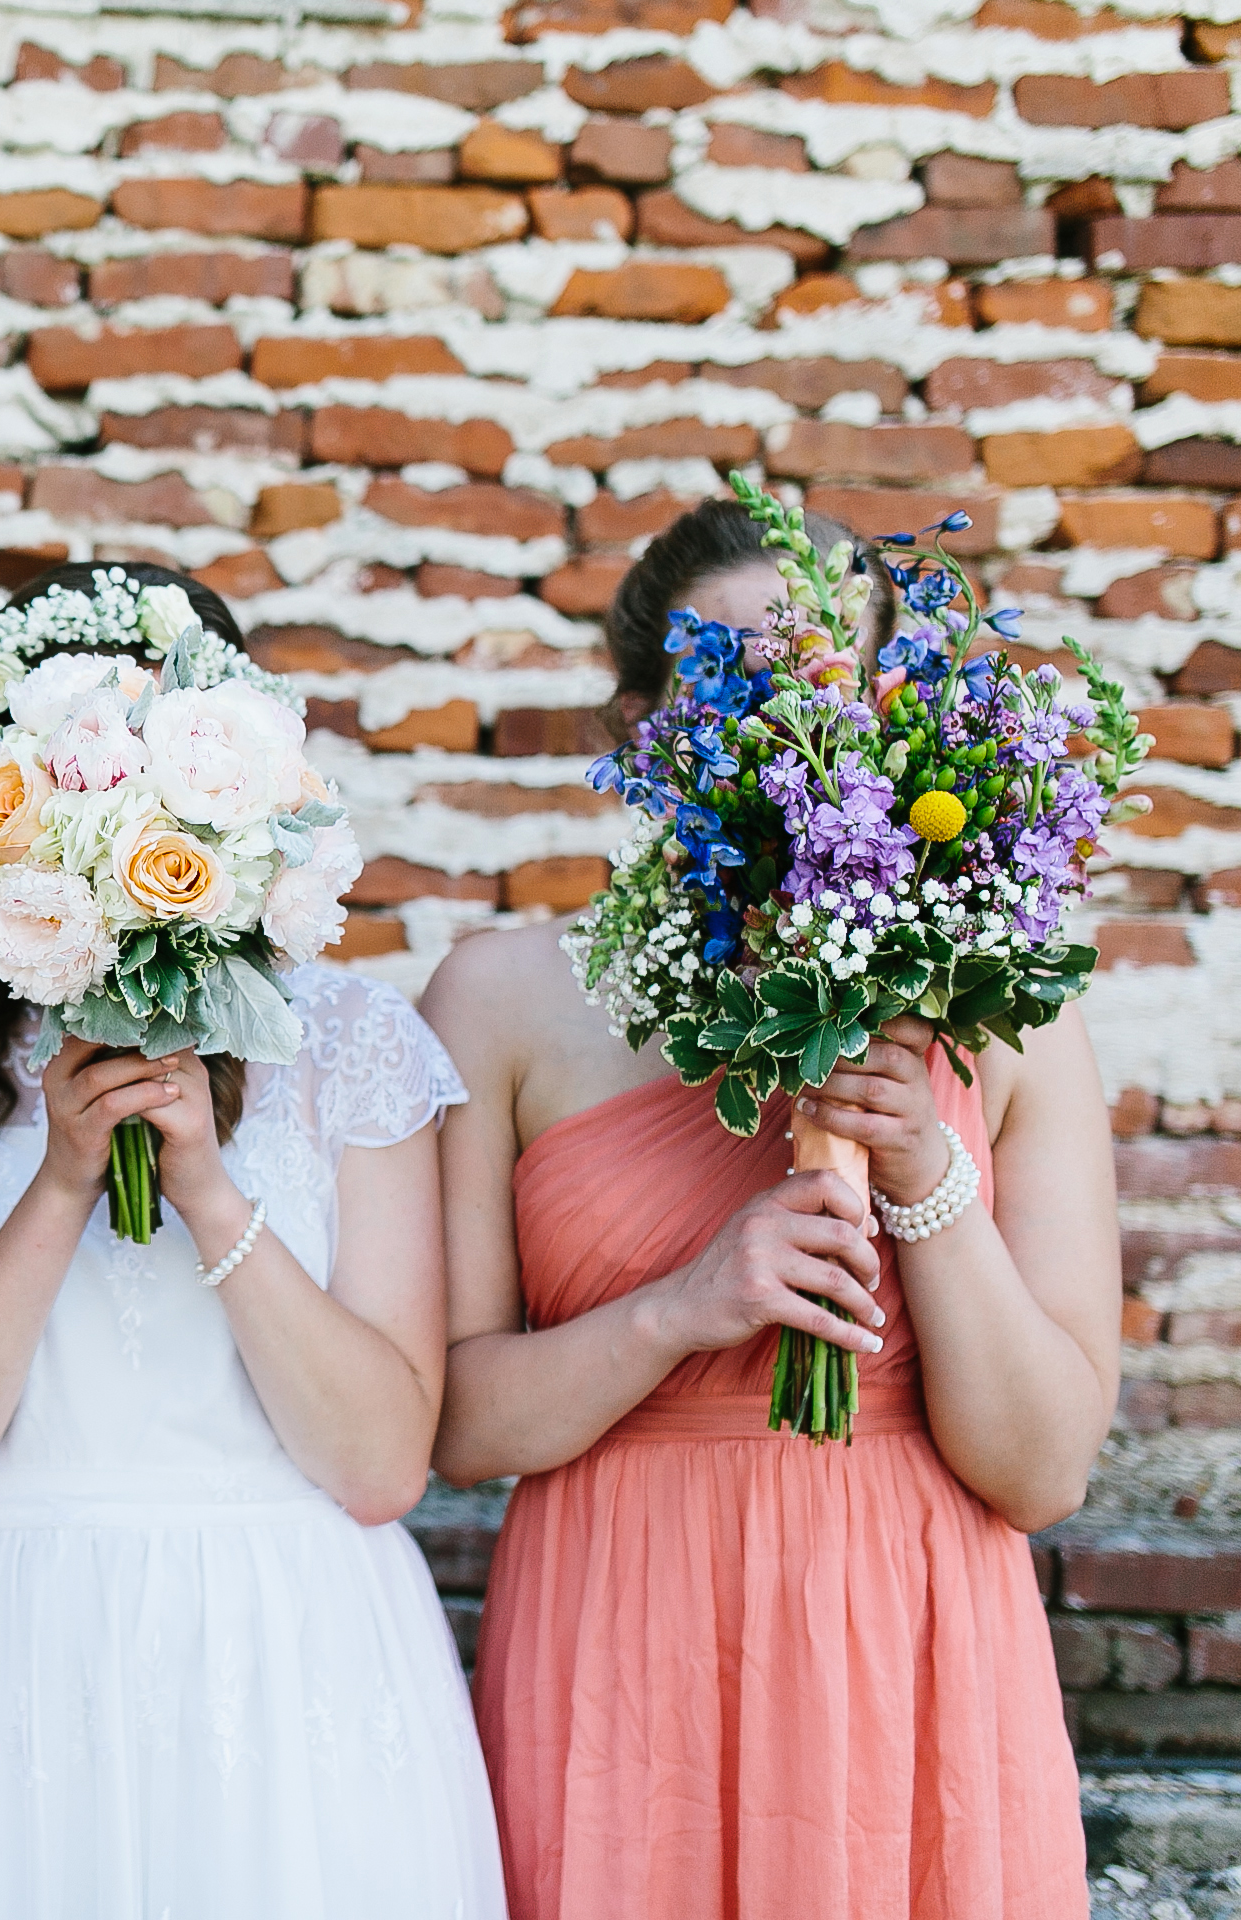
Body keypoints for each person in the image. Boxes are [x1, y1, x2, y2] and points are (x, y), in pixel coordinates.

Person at [424, 498, 1111, 1919]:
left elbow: (1042, 1472)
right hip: (622, 1635)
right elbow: (461, 1428)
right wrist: (683, 1309)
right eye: (736, 683)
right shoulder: (501, 998)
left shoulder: (1011, 1020)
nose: (791, 726)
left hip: (907, 1633)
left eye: (828, 680)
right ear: (639, 730)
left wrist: (924, 1175)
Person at [0, 562, 504, 1918]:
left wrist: (206, 1190)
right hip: (5, 1651)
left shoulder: (351, 1046)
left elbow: (378, 1464)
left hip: (295, 1651)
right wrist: (66, 1177)